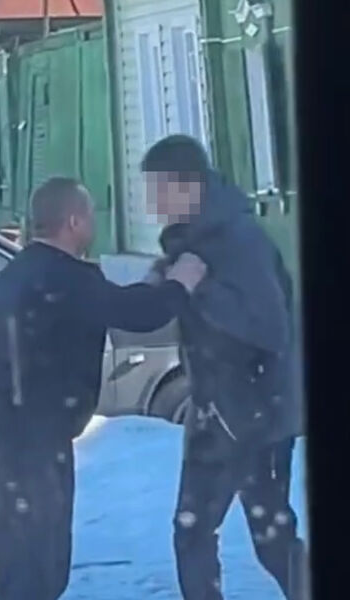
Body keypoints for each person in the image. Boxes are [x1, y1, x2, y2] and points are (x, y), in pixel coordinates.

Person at [0, 176, 206, 600]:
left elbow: (108, 301)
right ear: (73, 222)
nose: (94, 224)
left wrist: (155, 283)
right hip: (31, 444)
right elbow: (137, 315)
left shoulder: (22, 270)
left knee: (4, 557)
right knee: (39, 570)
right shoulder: (67, 277)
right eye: (90, 216)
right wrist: (182, 281)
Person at [142, 135, 307, 600]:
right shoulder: (195, 239)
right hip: (215, 411)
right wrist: (168, 280)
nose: (151, 205)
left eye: (158, 191)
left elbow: (269, 328)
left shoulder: (239, 241)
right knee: (196, 533)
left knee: (268, 541)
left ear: (190, 187)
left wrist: (199, 287)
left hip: (255, 415)